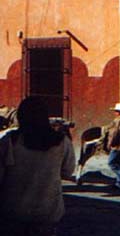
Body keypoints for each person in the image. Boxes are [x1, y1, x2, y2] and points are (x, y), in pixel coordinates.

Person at [0, 96, 76, 235]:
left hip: (13, 212)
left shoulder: (10, 140)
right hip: (48, 212)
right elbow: (68, 171)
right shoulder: (62, 141)